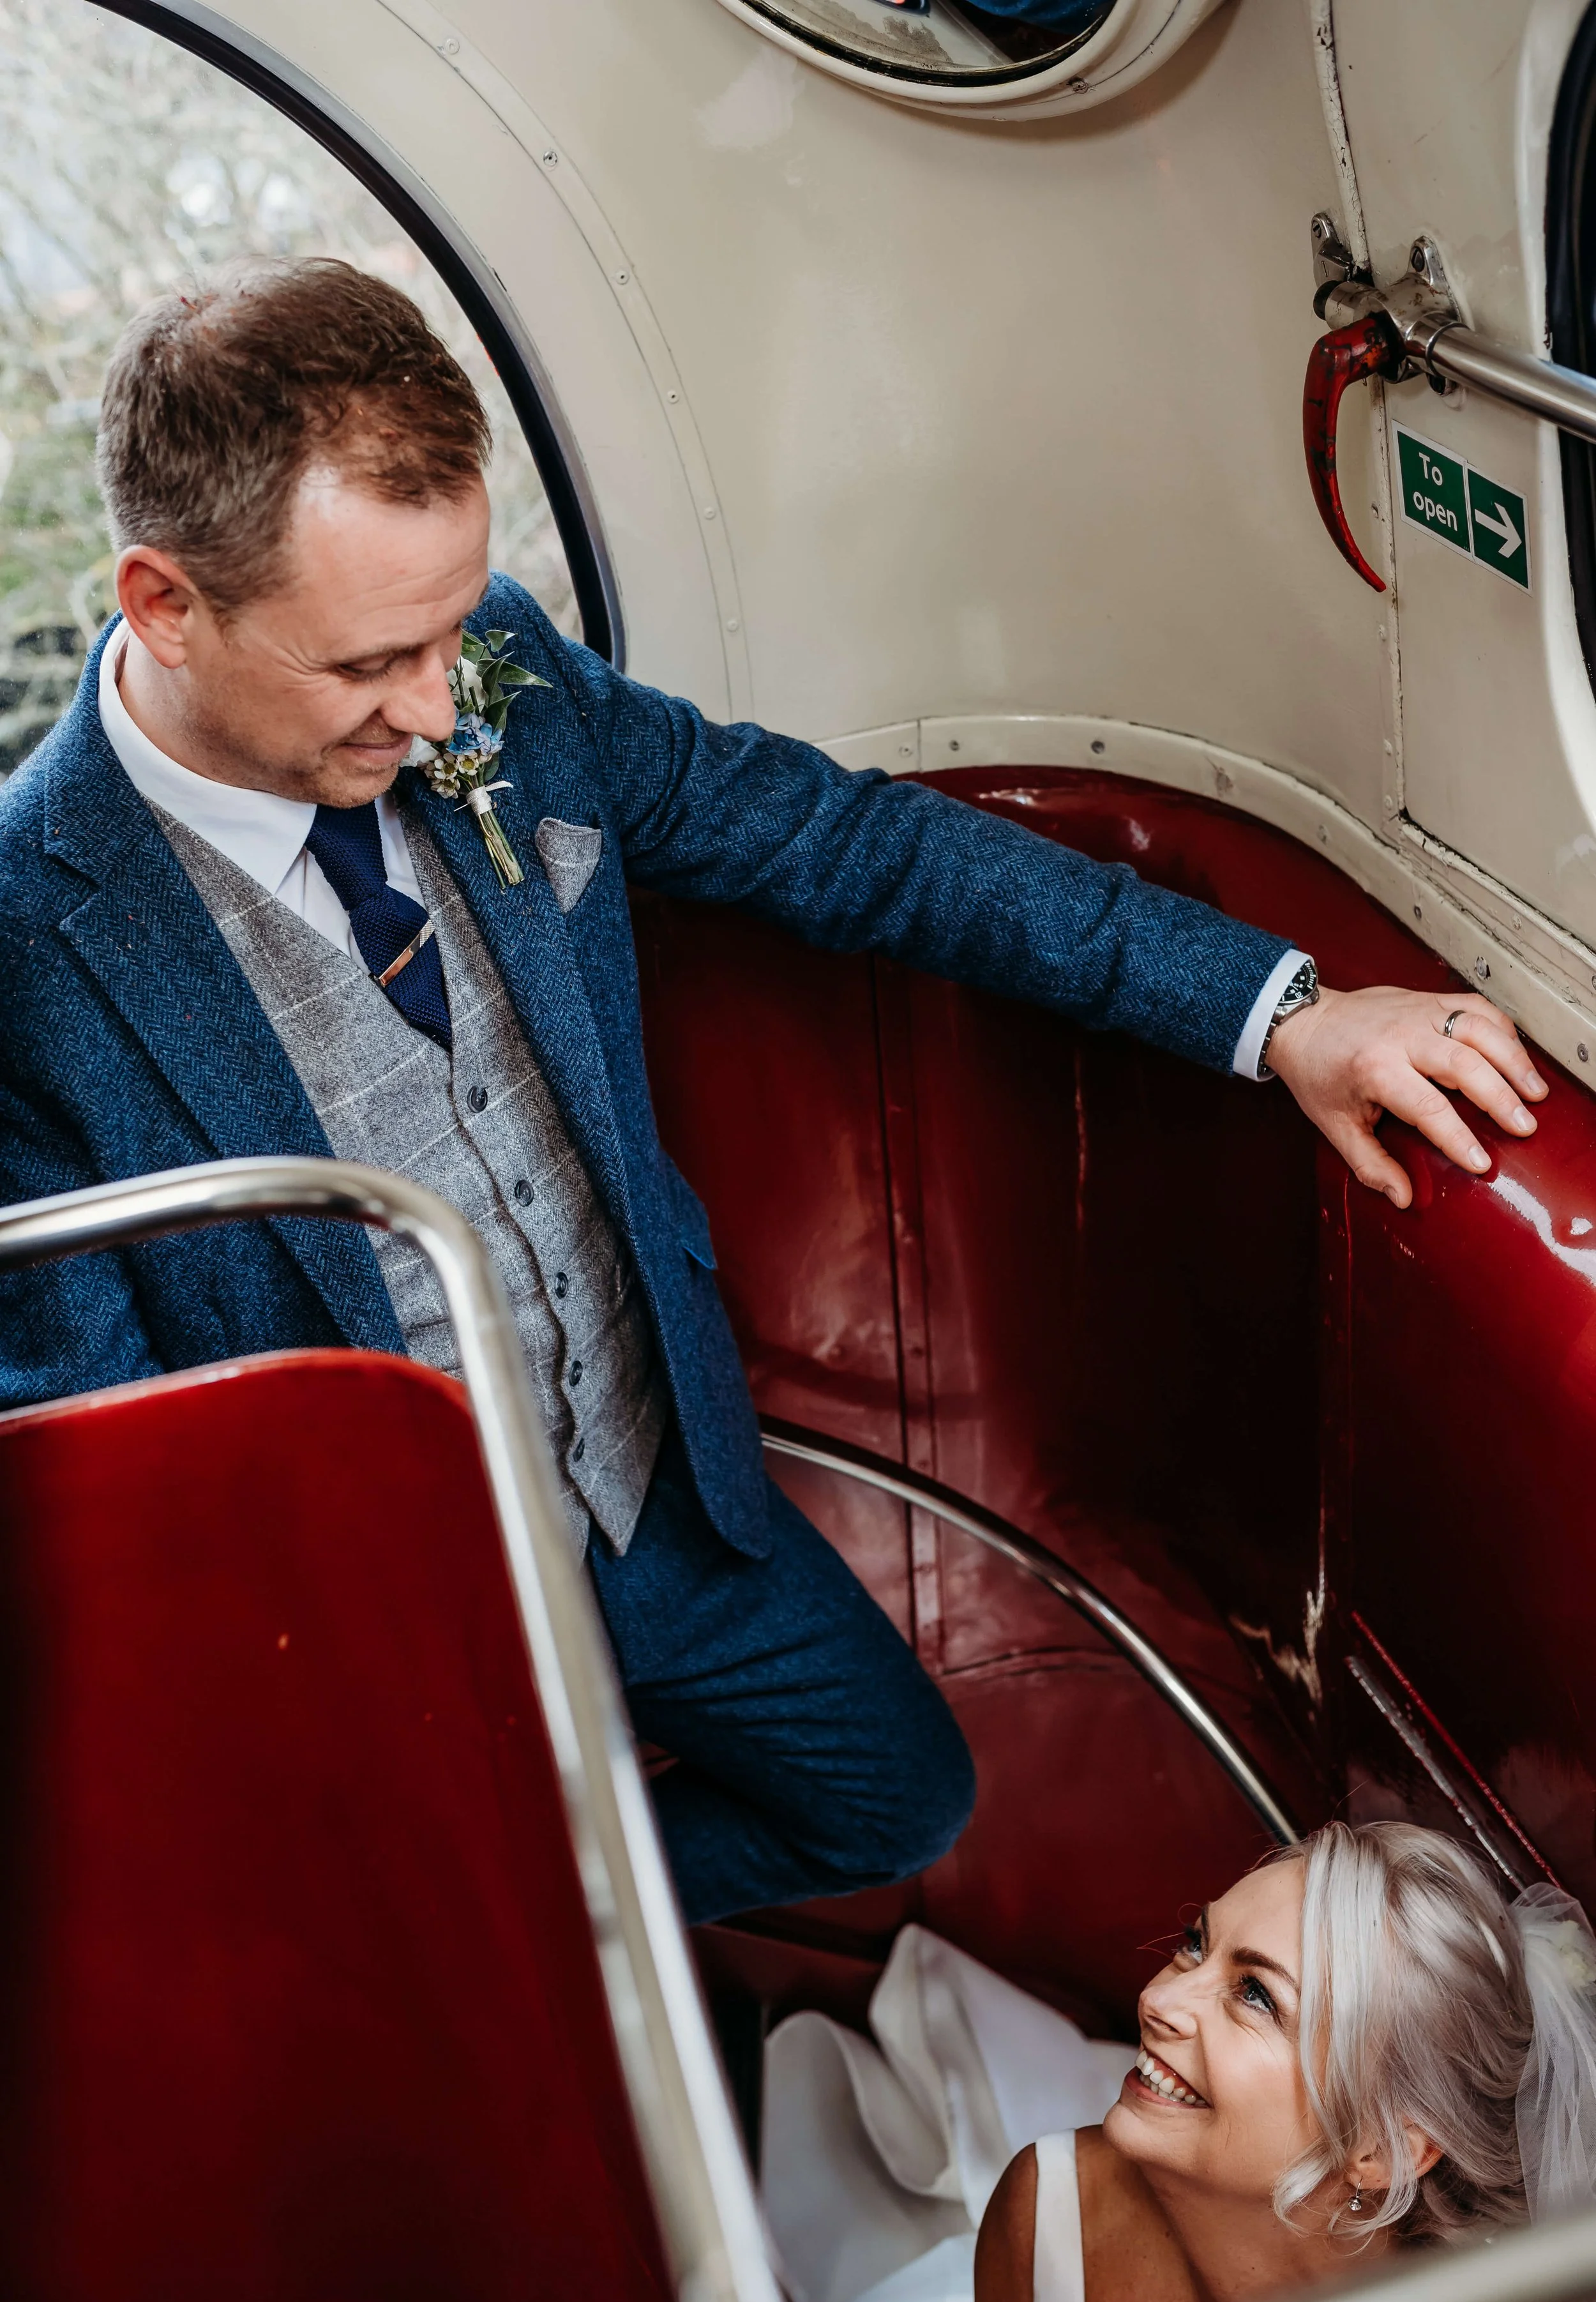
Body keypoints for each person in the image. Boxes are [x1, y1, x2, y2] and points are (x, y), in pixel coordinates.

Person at [0, 257, 1547, 1925]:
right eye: (373, 662)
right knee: (409, 1925)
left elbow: (847, 844)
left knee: (899, 1791)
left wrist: (1281, 1012)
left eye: (453, 629)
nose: (445, 706)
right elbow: (106, 1466)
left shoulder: (499, 678)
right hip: (376, 1598)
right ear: (163, 602)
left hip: (652, 1474)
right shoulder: (27, 936)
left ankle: (570, 1920)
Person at [953, 1822, 1596, 2302]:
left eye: (1256, 1995)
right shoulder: (1051, 2200)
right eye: (1196, 1944)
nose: (1158, 2001)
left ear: (1379, 2150)